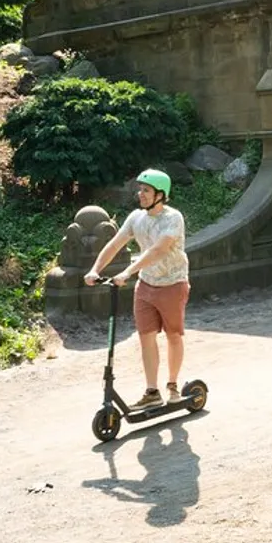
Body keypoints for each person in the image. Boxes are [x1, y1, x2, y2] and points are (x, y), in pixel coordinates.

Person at [85, 168, 190, 409]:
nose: (140, 194)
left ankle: (173, 385)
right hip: (146, 285)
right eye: (139, 189)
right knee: (146, 338)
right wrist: (95, 269)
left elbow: (158, 250)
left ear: (161, 194)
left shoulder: (173, 218)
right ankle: (152, 391)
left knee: (174, 335)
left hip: (173, 283)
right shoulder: (136, 218)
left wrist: (128, 271)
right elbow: (115, 244)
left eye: (146, 190)